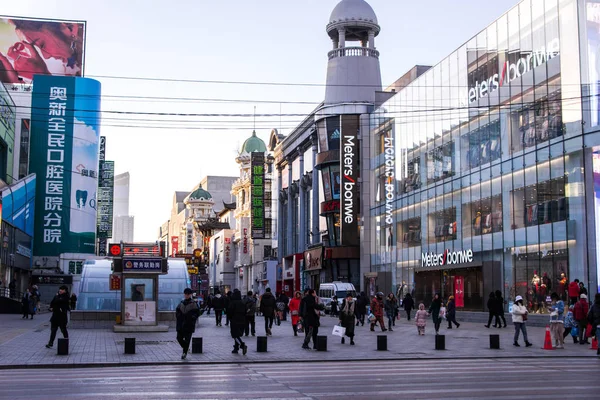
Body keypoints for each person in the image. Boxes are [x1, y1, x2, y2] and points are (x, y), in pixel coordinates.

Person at [175, 288, 200, 359]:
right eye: (185, 294)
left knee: (187, 339)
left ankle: (184, 353)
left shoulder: (194, 304)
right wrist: (179, 316)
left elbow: (197, 313)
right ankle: (186, 348)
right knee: (179, 338)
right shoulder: (181, 303)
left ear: (190, 295)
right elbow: (177, 311)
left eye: (188, 294)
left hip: (189, 324)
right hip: (180, 324)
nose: (186, 295)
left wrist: (193, 317)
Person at [227, 289, 248, 355]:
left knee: (235, 335)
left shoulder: (233, 303)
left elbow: (229, 312)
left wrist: (230, 318)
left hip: (234, 320)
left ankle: (242, 345)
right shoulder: (242, 302)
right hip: (242, 320)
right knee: (238, 334)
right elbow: (245, 311)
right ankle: (236, 348)